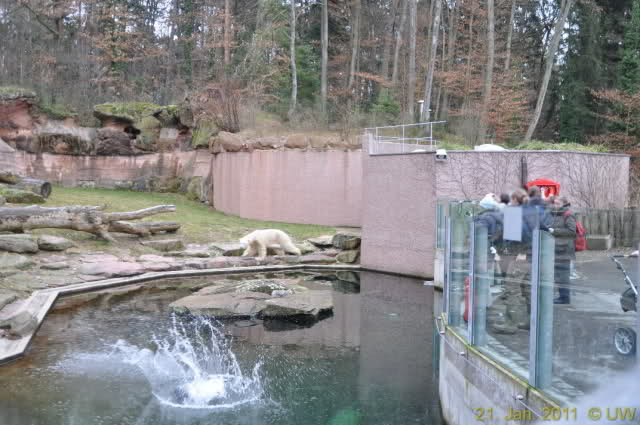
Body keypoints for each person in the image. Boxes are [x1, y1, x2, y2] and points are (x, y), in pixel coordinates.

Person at [549, 197, 577, 304]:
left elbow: (572, 231)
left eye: (558, 203)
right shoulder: (557, 214)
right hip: (558, 247)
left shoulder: (568, 214)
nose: (555, 205)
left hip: (565, 249)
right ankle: (562, 296)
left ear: (564, 204)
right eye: (554, 203)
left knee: (563, 274)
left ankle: (565, 298)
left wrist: (554, 231)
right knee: (559, 274)